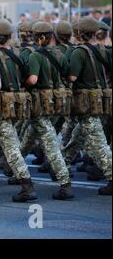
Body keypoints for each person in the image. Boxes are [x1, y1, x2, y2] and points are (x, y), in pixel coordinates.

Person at [0, 19, 37, 202]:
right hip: (16, 104)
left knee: (11, 148)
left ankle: (27, 185)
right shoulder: (18, 54)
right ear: (10, 37)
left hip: (1, 105)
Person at [21, 21, 74, 200]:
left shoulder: (35, 56)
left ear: (38, 38)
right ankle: (12, 164)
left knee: (50, 142)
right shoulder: (60, 54)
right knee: (30, 133)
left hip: (41, 104)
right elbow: (68, 76)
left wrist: (25, 83)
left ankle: (64, 182)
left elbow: (33, 80)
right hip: (57, 103)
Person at [68, 16, 112, 195]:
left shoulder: (79, 52)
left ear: (80, 33)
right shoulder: (105, 50)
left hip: (87, 103)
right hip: (102, 100)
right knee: (77, 136)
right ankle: (61, 164)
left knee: (99, 143)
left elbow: (72, 77)